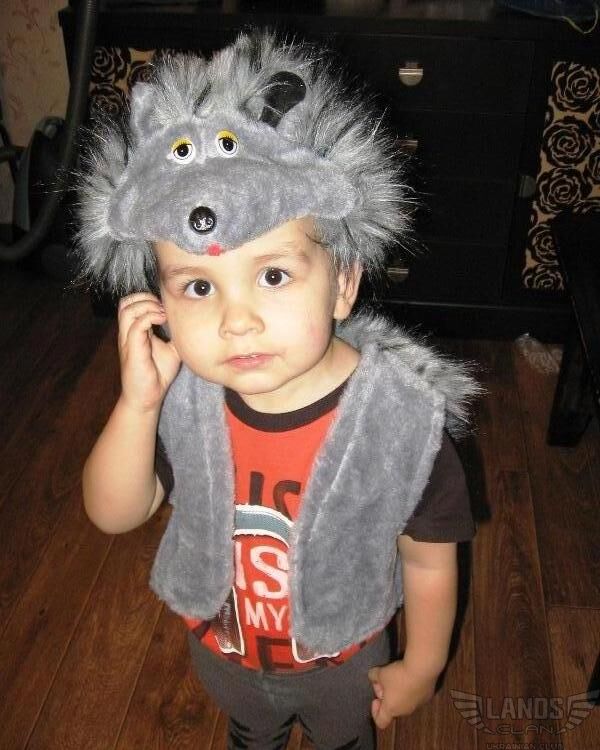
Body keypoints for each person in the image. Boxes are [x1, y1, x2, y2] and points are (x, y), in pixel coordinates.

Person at [78, 28, 481, 750]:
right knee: (250, 731)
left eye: (272, 275)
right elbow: (115, 514)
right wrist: (137, 404)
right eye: (199, 286)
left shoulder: (399, 421)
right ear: (161, 303)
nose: (236, 320)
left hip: (343, 662)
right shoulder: (184, 399)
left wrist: (422, 664)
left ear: (344, 283)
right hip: (223, 651)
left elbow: (428, 555)